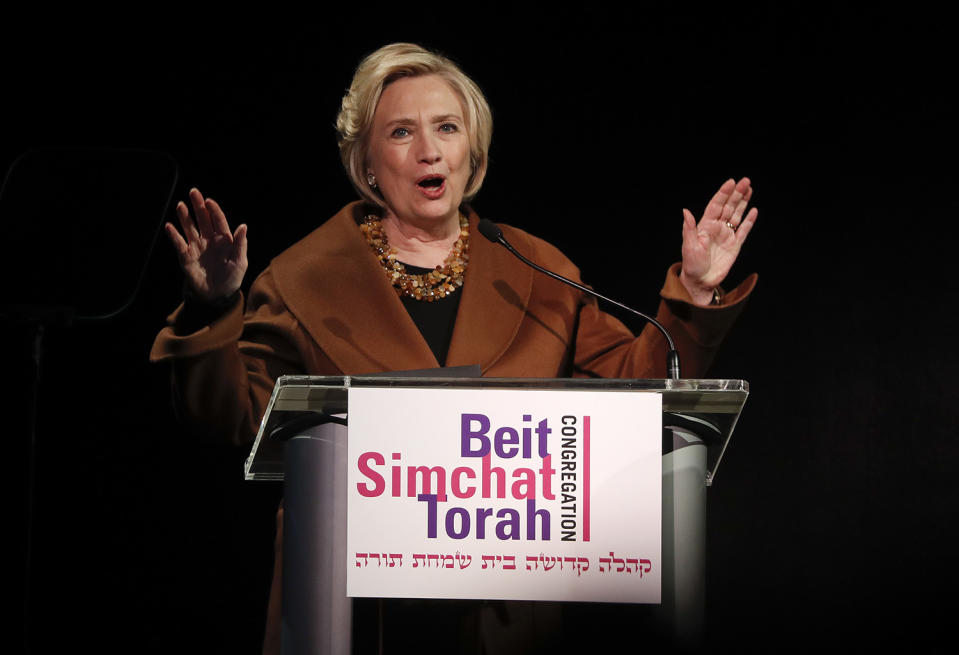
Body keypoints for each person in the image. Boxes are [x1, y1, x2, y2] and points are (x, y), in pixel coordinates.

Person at [151, 42, 758, 653]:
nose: (428, 150)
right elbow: (229, 418)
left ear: (472, 153)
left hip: (507, 611)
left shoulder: (538, 270)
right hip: (349, 609)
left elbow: (640, 386)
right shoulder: (301, 279)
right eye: (400, 132)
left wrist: (694, 292)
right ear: (366, 161)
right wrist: (212, 308)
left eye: (447, 127)